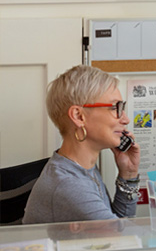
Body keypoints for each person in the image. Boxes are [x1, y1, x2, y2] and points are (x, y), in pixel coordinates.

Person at [22, 65, 141, 224]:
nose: (126, 119)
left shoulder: (81, 169)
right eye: (115, 108)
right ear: (78, 116)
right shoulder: (68, 186)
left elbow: (118, 224)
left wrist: (129, 174)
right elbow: (123, 238)